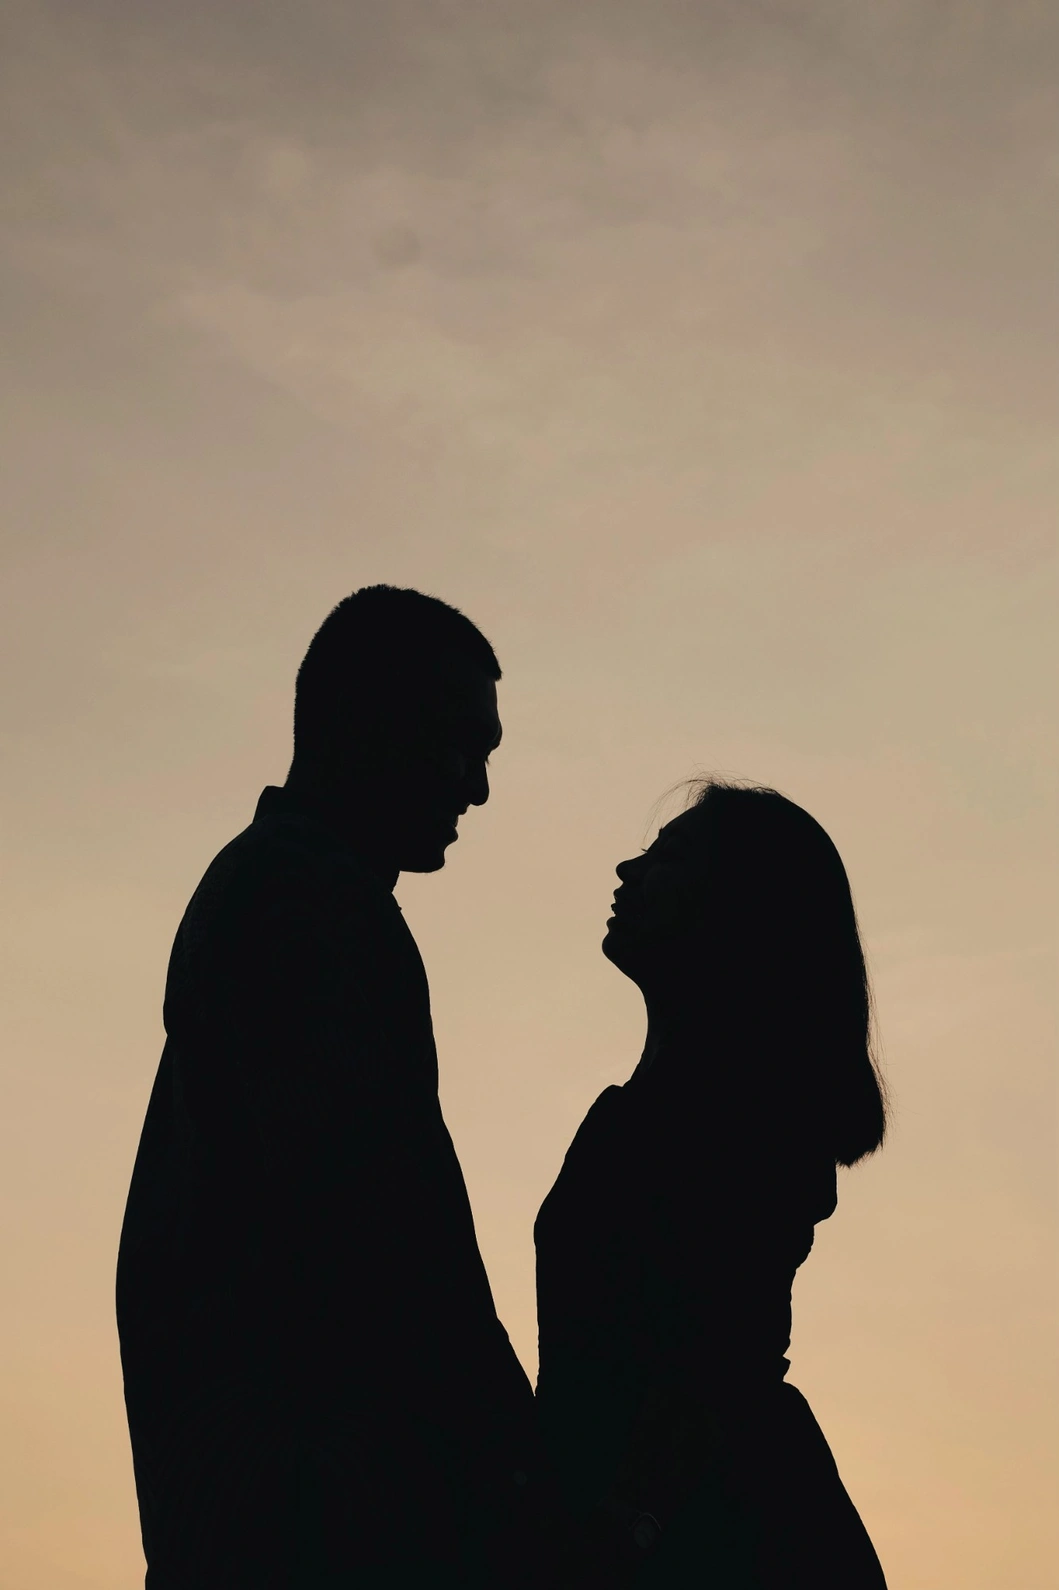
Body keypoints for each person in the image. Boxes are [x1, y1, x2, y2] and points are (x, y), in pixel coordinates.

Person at [117, 585, 548, 1589]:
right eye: (461, 745)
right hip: (311, 1511)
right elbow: (389, 1232)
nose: (479, 788)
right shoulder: (309, 906)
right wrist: (524, 1470)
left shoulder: (284, 889)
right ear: (372, 724)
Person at [535, 780, 889, 1588]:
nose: (628, 870)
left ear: (733, 910)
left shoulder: (735, 1126)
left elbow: (717, 1358)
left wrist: (628, 1523)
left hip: (712, 1538)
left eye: (667, 857)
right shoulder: (665, 1113)